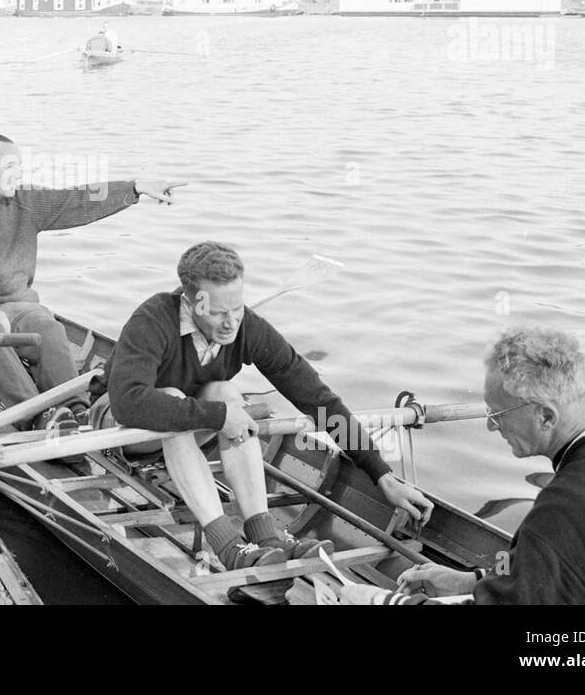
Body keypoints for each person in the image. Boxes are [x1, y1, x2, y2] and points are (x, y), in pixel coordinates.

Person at [92, 241, 433, 571]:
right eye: (219, 312)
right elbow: (128, 403)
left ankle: (266, 536)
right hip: (120, 432)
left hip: (188, 424)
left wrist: (380, 473)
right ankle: (227, 545)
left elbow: (318, 399)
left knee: (226, 391)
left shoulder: (245, 327)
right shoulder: (152, 319)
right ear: (192, 303)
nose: (231, 323)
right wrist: (221, 416)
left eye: (237, 308)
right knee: (177, 402)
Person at [353, 327, 585, 605]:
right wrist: (474, 580)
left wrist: (382, 601)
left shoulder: (569, 507)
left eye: (497, 414)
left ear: (546, 416)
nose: (491, 425)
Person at [0, 133, 184, 432]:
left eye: (20, 165)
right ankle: (34, 417)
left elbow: (78, 198)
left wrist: (135, 188)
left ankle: (75, 409)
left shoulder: (26, 201)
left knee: (47, 327)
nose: (18, 173)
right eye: (10, 165)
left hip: (18, 307)